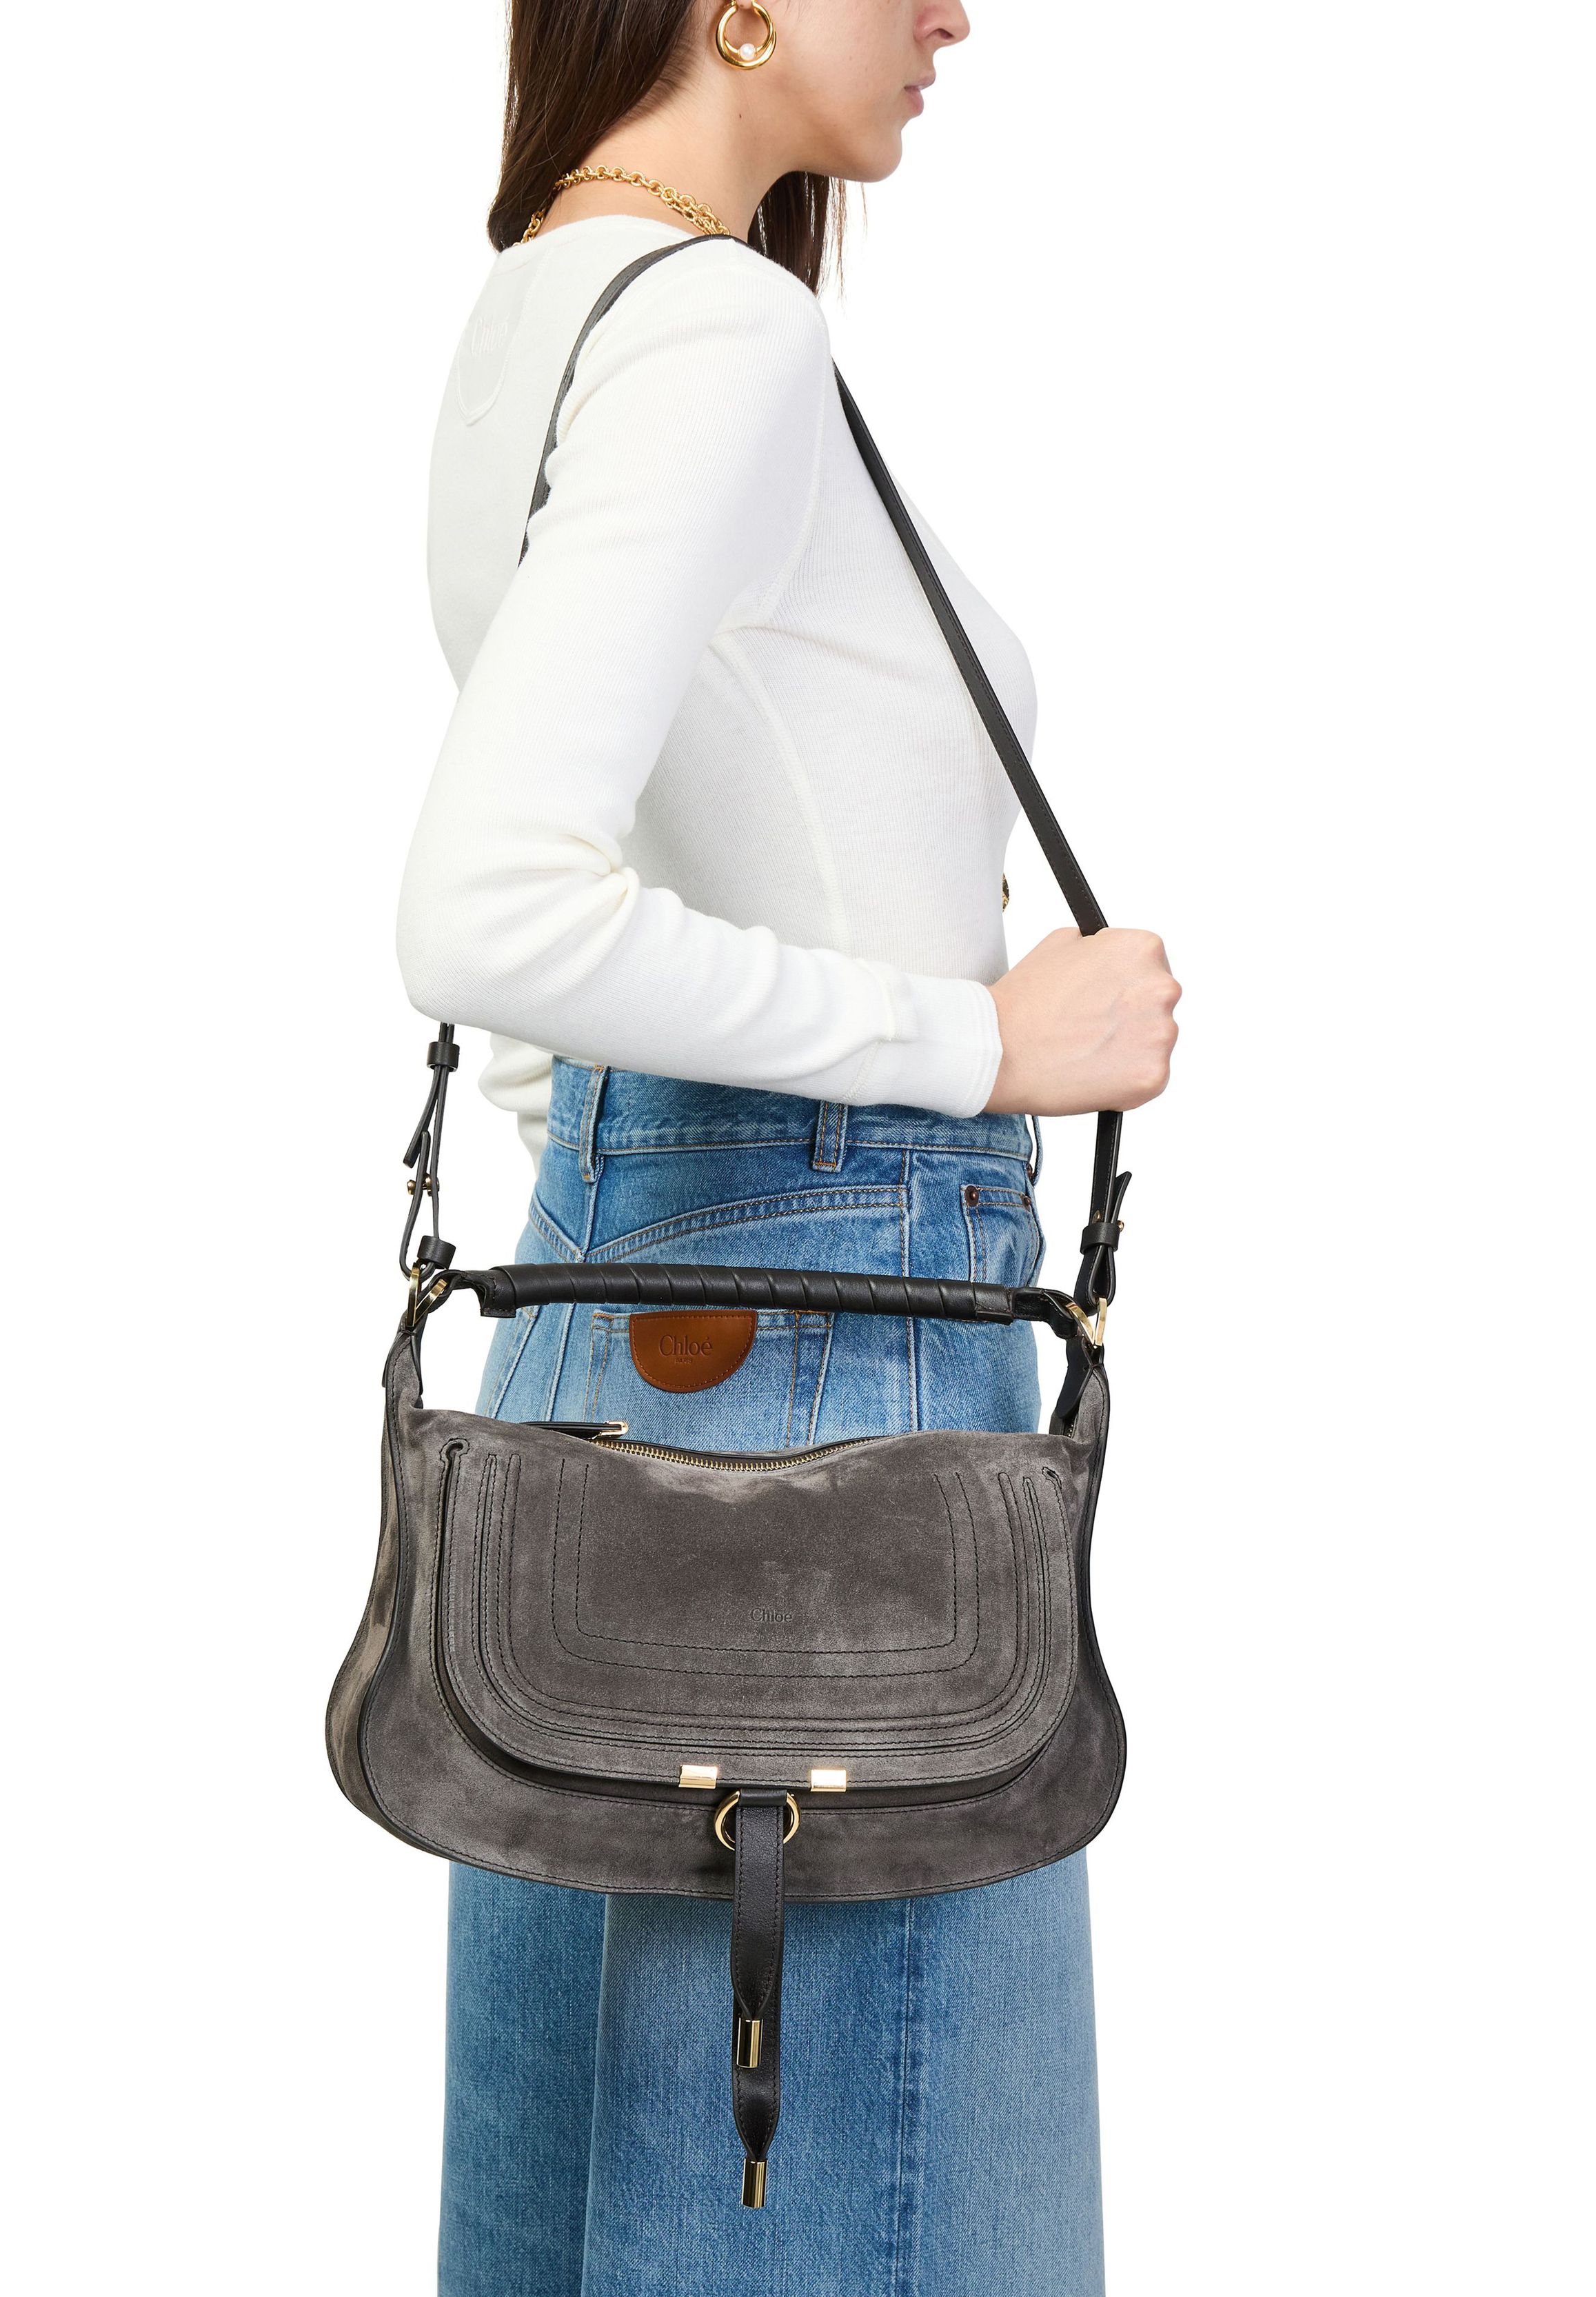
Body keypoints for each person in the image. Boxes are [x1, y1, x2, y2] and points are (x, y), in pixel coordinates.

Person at [396, 4, 1181, 2289]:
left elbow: (586, 899)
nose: (953, 14)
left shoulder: (540, 311)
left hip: (592, 1347)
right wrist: (982, 1043)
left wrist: (629, 1178)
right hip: (837, 1357)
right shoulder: (723, 333)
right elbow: (486, 907)